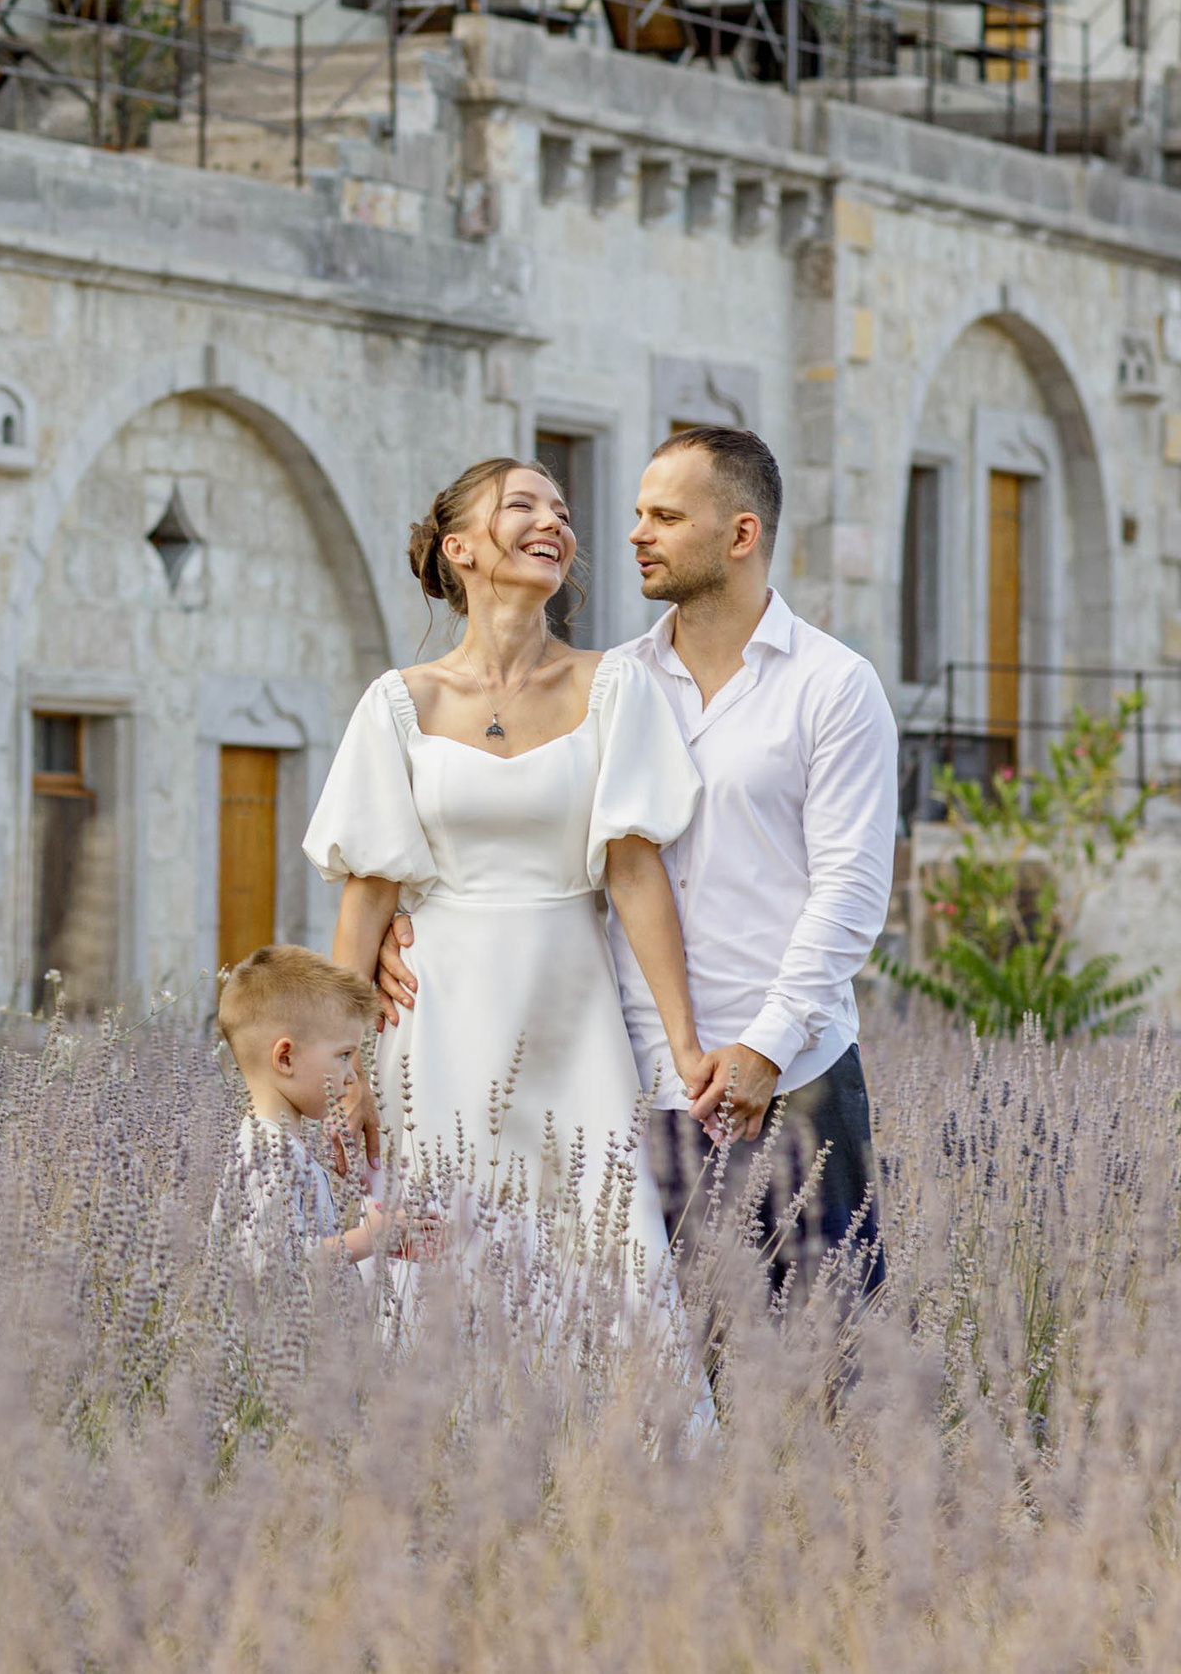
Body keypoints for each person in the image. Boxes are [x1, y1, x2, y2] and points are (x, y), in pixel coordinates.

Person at [380, 427, 899, 1302]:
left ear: (740, 534)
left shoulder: (834, 686)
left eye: (665, 516)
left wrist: (766, 1048)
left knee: (830, 1351)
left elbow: (849, 895)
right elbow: (531, 836)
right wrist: (406, 923)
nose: (635, 533)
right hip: (625, 1082)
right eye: (636, 513)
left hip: (792, 1084)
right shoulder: (611, 683)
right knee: (654, 1358)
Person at [302, 457, 711, 1292]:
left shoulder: (614, 687)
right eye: (522, 505)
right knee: (440, 1266)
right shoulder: (397, 704)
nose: (554, 522)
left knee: (607, 1259)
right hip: (436, 1022)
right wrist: (345, 1070)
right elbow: (368, 897)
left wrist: (685, 1046)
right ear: (458, 548)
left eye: (562, 512)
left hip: (575, 1020)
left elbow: (637, 877)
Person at [216, 944, 395, 1268]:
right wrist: (370, 1238)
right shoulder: (266, 1155)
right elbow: (273, 1267)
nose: (351, 1075)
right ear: (285, 1059)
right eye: (343, 1055)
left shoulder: (283, 1148)